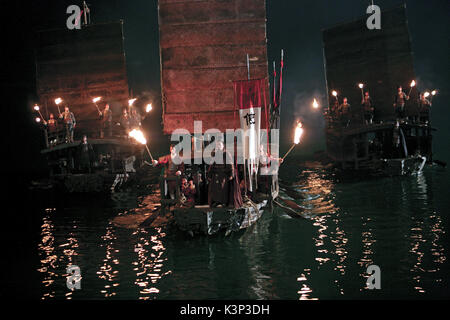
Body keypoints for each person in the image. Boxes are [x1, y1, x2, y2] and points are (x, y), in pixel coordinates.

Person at [207, 140, 235, 208]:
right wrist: (209, 174)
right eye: (217, 145)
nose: (218, 146)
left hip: (223, 174)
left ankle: (224, 202)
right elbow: (211, 164)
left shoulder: (226, 153)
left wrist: (231, 174)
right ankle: (216, 202)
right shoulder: (214, 154)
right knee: (214, 189)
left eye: (219, 145)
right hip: (215, 174)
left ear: (223, 146)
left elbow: (230, 164)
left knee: (223, 189)